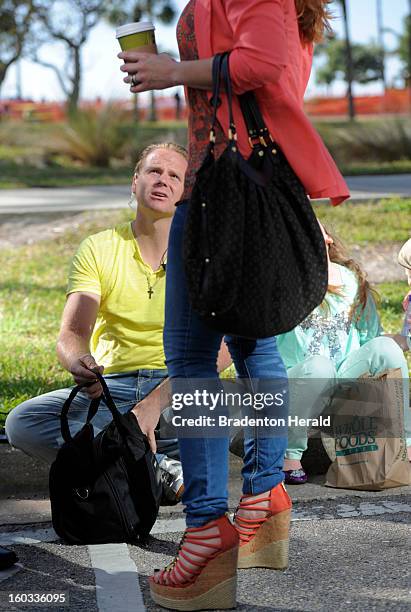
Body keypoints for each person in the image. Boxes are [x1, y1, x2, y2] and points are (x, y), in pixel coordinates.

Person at [119, 1, 349, 609]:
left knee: (191, 356)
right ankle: (265, 498)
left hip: (224, 191)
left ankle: (204, 533)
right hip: (241, 186)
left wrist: (173, 69)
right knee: (253, 343)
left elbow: (262, 63)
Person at [5, 143, 189, 504]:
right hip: (113, 391)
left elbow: (224, 347)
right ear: (135, 182)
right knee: (23, 423)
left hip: (178, 388)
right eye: (154, 171)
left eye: (174, 176)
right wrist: (78, 362)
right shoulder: (99, 247)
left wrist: (151, 406)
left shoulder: (200, 252)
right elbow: (73, 333)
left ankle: (129, 460)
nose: (162, 181)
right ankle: (156, 467)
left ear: (184, 192)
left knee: (265, 411)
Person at [278, 224, 411, 484]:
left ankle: (404, 443)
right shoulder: (279, 287)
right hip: (294, 388)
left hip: (343, 384)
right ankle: (288, 456)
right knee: (319, 366)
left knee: (386, 348)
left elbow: (369, 339)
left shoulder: (352, 282)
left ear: (327, 238)